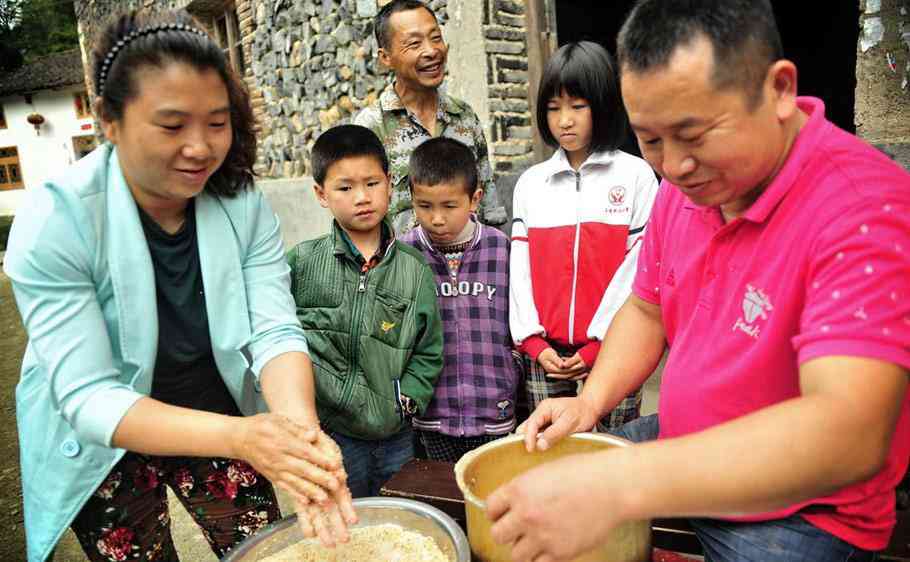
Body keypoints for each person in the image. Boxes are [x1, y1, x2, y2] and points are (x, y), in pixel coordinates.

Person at [486, 1, 910, 561]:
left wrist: (621, 484)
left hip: (802, 511)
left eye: (694, 133)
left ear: (778, 89)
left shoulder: (862, 207)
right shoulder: (683, 193)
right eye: (651, 140)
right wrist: (589, 403)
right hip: (684, 438)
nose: (675, 166)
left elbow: (847, 433)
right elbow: (647, 309)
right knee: (531, 493)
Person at [3, 10, 356, 562]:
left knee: (261, 550)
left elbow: (275, 329)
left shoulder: (240, 202)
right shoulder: (57, 223)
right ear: (109, 120)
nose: (200, 147)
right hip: (111, 441)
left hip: (214, 407)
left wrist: (300, 437)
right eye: (172, 125)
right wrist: (243, 438)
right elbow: (89, 396)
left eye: (217, 123)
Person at [286, 124, 444, 497]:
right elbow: (277, 338)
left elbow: (429, 349)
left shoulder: (414, 269)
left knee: (398, 520)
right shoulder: (302, 264)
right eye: (345, 187)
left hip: (395, 435)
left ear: (389, 182)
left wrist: (407, 400)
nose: (362, 197)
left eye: (372, 183)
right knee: (341, 523)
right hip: (330, 434)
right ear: (321, 194)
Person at [509, 41, 659, 432]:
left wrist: (599, 344)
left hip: (615, 351)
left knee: (615, 452)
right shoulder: (531, 184)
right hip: (546, 356)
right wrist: (534, 344)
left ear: (603, 105)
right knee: (552, 452)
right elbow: (520, 272)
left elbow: (638, 272)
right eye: (554, 108)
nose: (565, 121)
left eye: (578, 106)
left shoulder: (636, 176)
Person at [399, 137, 518, 462]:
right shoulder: (405, 254)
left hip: (493, 409)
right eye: (425, 206)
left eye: (449, 206)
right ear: (412, 198)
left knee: (493, 497)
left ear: (475, 199)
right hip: (432, 412)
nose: (437, 218)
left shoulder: (501, 249)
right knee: (441, 498)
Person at [353, 0, 507, 234]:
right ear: (386, 58)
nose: (431, 51)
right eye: (414, 43)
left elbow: (488, 206)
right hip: (404, 268)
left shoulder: (463, 116)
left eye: (435, 38)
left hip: (468, 266)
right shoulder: (371, 127)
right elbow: (360, 220)